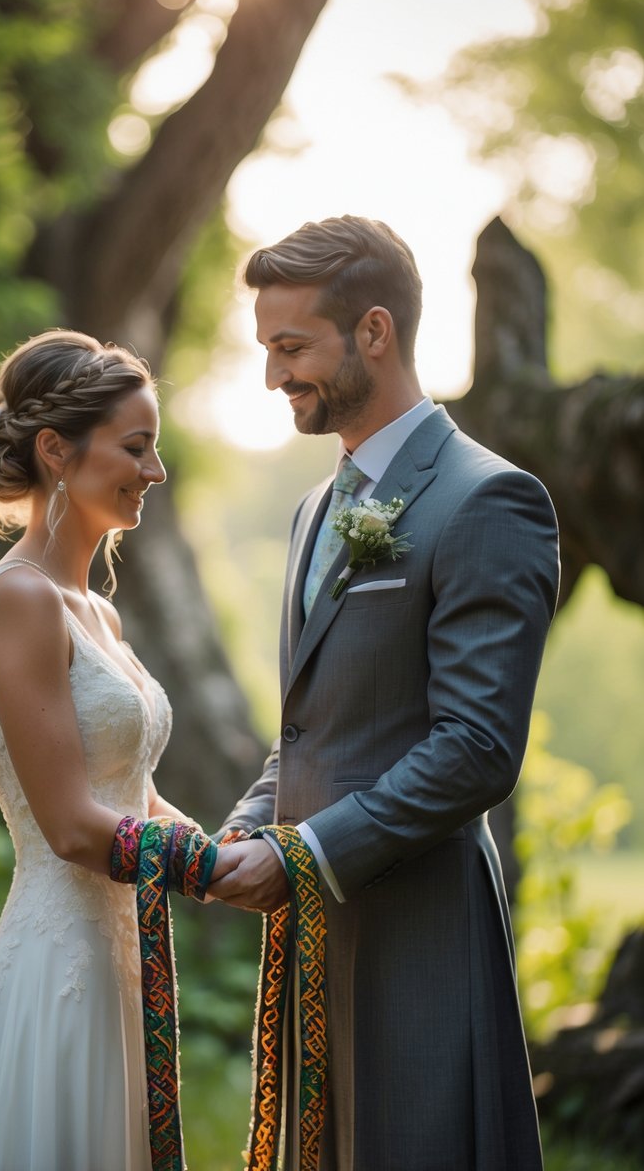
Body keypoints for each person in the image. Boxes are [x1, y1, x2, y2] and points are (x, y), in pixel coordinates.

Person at [210, 216, 560, 1170]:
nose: (274, 376)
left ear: (374, 331)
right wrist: (253, 823)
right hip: (313, 935)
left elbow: (477, 747)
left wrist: (312, 850)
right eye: (267, 350)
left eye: (291, 348)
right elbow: (314, 721)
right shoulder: (312, 509)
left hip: (417, 932)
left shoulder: (488, 499)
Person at [0, 329, 226, 1171]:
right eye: (136, 447)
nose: (155, 471)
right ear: (57, 451)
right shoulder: (18, 599)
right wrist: (203, 875)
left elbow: (127, 792)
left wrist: (233, 847)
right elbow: (69, 827)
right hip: (54, 976)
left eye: (156, 448)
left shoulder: (95, 611)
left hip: (121, 976)